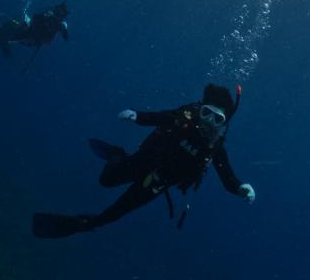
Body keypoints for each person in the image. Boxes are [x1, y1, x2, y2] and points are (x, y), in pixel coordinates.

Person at [32, 84, 256, 238]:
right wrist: (137, 115)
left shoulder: (214, 147)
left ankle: (82, 224)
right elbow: (161, 116)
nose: (209, 121)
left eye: (217, 119)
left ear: (223, 123)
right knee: (106, 181)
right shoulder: (184, 117)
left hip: (157, 183)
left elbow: (226, 175)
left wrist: (240, 188)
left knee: (116, 212)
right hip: (142, 161)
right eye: (206, 113)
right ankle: (117, 154)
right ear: (200, 109)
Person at [0, 2, 69, 56]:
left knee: (14, 36)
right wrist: (44, 16)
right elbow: (35, 17)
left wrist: (64, 29)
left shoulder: (60, 25)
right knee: (14, 32)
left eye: (61, 14)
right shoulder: (47, 15)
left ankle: (1, 39)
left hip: (34, 40)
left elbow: (66, 38)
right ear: (55, 9)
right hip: (29, 32)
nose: (58, 15)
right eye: (58, 11)